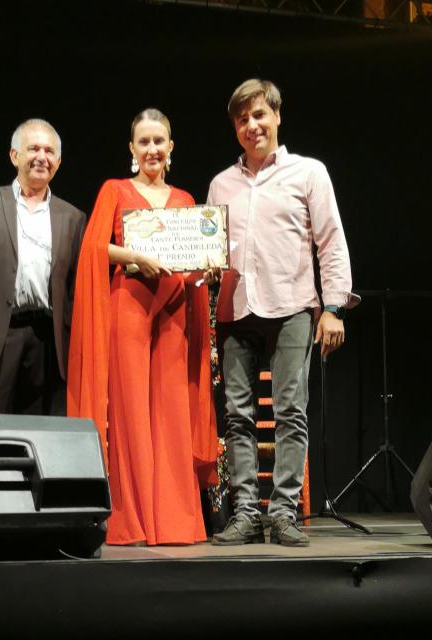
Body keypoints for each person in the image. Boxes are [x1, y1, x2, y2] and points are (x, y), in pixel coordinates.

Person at [208, 79, 359, 547]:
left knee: (291, 412)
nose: (252, 125)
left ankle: (286, 513)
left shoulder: (309, 173)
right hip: (236, 309)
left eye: (259, 115)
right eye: (242, 119)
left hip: (293, 306)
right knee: (237, 415)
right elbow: (209, 251)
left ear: (276, 116)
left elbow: (330, 241)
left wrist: (332, 308)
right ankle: (247, 513)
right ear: (235, 128)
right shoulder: (221, 184)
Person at [67, 108, 218, 546]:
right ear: (132, 150)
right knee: (131, 414)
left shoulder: (186, 199)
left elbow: (193, 258)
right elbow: (94, 246)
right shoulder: (114, 190)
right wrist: (138, 256)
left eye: (159, 141)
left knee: (172, 413)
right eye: (144, 142)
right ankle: (131, 521)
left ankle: (173, 522)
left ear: (171, 148)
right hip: (128, 306)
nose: (152, 149)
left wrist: (201, 273)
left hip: (172, 312)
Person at [0, 119, 86, 416]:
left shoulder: (73, 218)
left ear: (58, 162)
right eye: (33, 148)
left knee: (41, 440)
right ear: (14, 156)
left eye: (49, 151)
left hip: (49, 344)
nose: (41, 157)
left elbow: (76, 290)